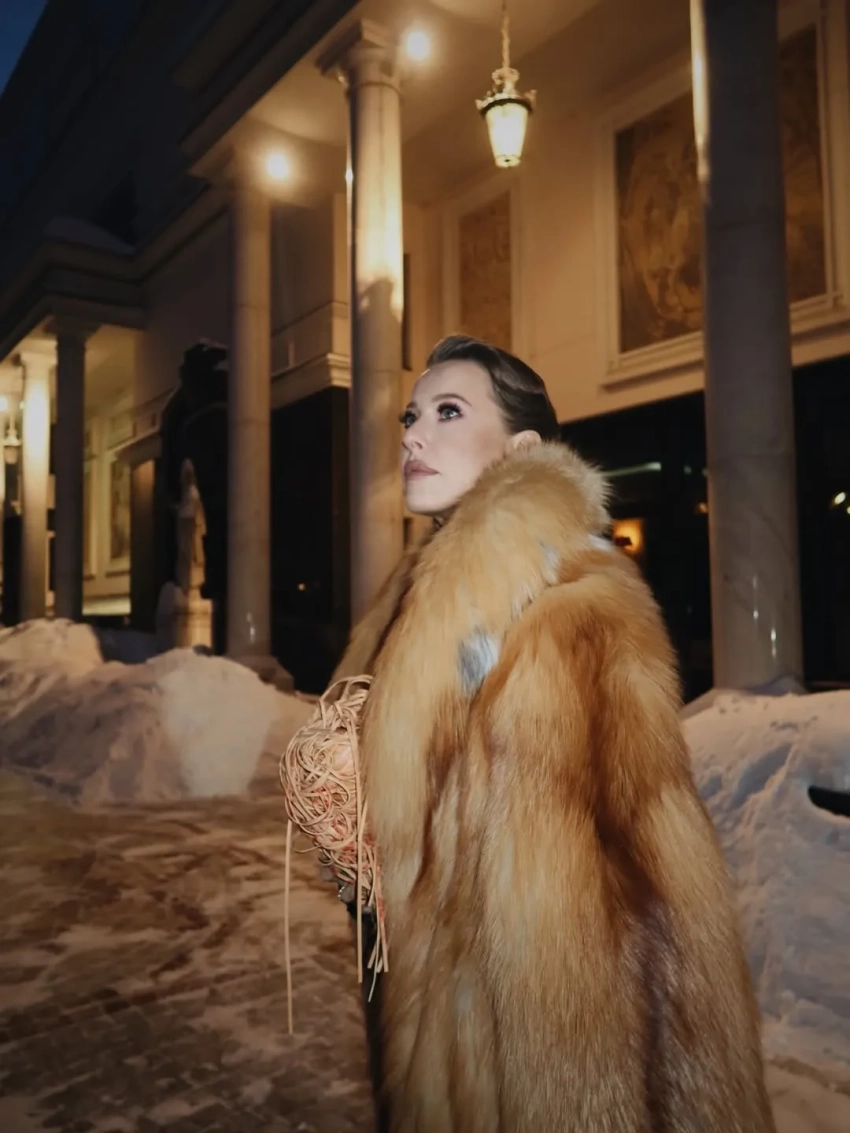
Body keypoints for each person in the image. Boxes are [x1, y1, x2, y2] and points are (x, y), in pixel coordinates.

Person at [332, 334, 775, 1132]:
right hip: (445, 1029)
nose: (413, 434)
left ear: (522, 449)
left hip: (534, 1058)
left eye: (448, 411)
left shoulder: (571, 609)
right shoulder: (421, 602)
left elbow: (627, 902)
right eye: (411, 416)